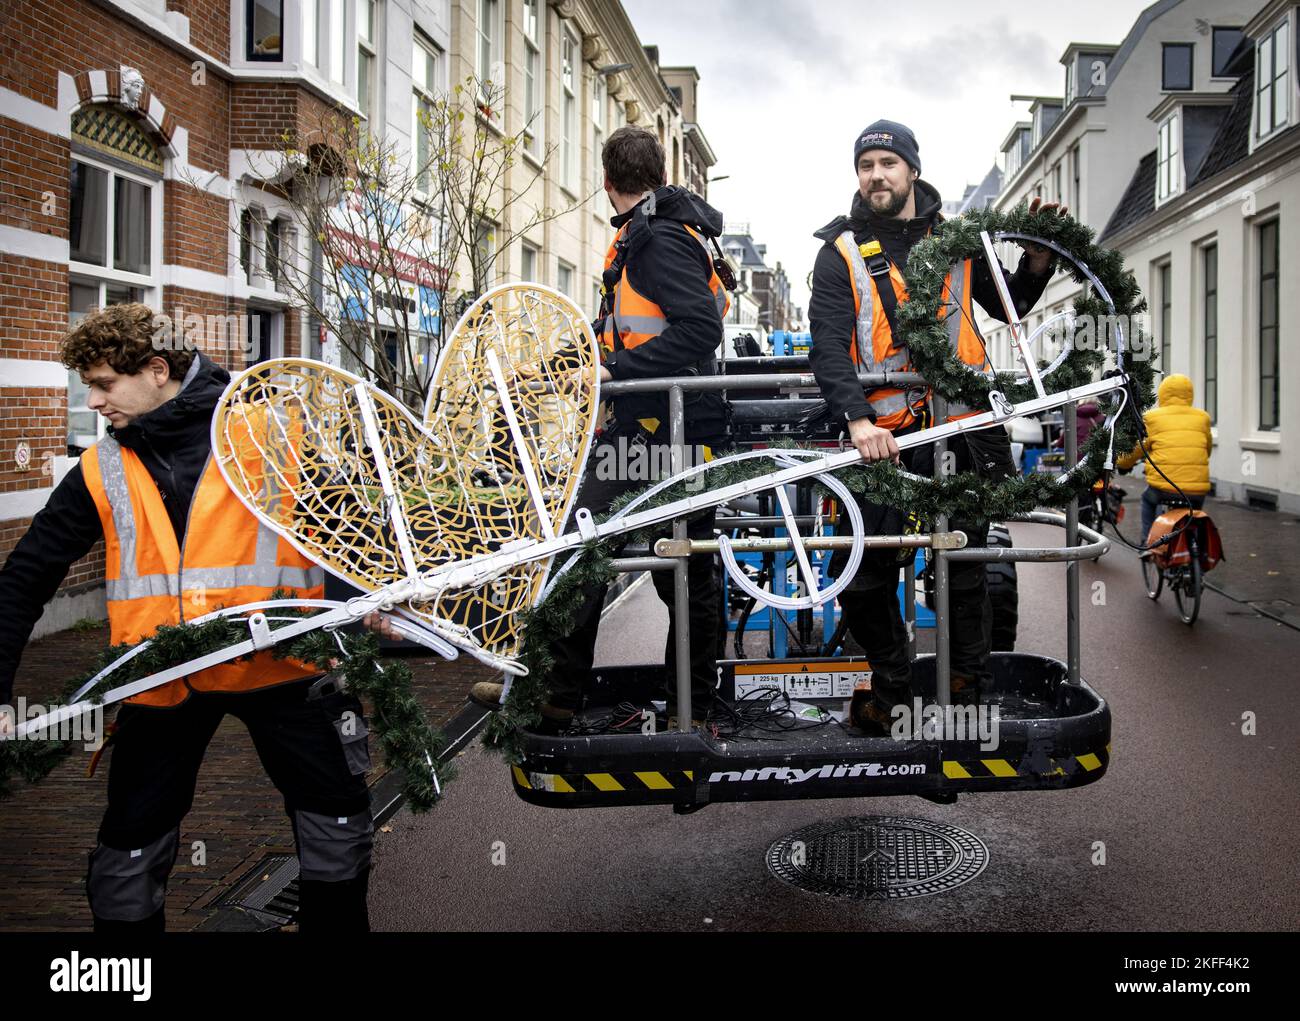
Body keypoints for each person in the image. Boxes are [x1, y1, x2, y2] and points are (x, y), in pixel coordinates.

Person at [0, 304, 393, 932]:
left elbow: (351, 537)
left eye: (103, 385)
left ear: (157, 370)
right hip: (160, 679)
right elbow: (24, 580)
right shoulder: (102, 469)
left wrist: (363, 606)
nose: (94, 401)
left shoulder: (272, 436)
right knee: (128, 848)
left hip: (284, 664)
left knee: (335, 822)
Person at [807, 119, 1065, 733]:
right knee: (863, 572)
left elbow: (1010, 306)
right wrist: (859, 418)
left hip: (964, 430)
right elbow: (828, 349)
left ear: (912, 172)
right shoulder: (838, 250)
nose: (876, 175)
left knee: (965, 565)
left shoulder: (957, 240)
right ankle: (894, 684)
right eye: (866, 165)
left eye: (887, 164)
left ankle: (963, 694)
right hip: (885, 438)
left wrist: (1035, 261)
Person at [471, 126, 731, 726]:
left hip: (669, 431)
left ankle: (684, 705)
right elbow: (614, 331)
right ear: (659, 176)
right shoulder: (654, 235)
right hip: (654, 427)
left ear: (606, 185)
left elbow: (698, 332)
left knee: (664, 564)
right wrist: (553, 370)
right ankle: (565, 694)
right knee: (612, 556)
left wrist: (612, 370)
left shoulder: (659, 241)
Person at [1116, 373, 1213, 539]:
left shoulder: (1152, 418)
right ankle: (1197, 548)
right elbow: (1207, 450)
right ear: (1190, 394)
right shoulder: (1202, 418)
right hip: (1197, 489)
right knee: (1195, 515)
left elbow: (1136, 449)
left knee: (1147, 500)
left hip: (1163, 488)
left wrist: (1123, 463)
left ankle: (1148, 544)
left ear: (1162, 394)